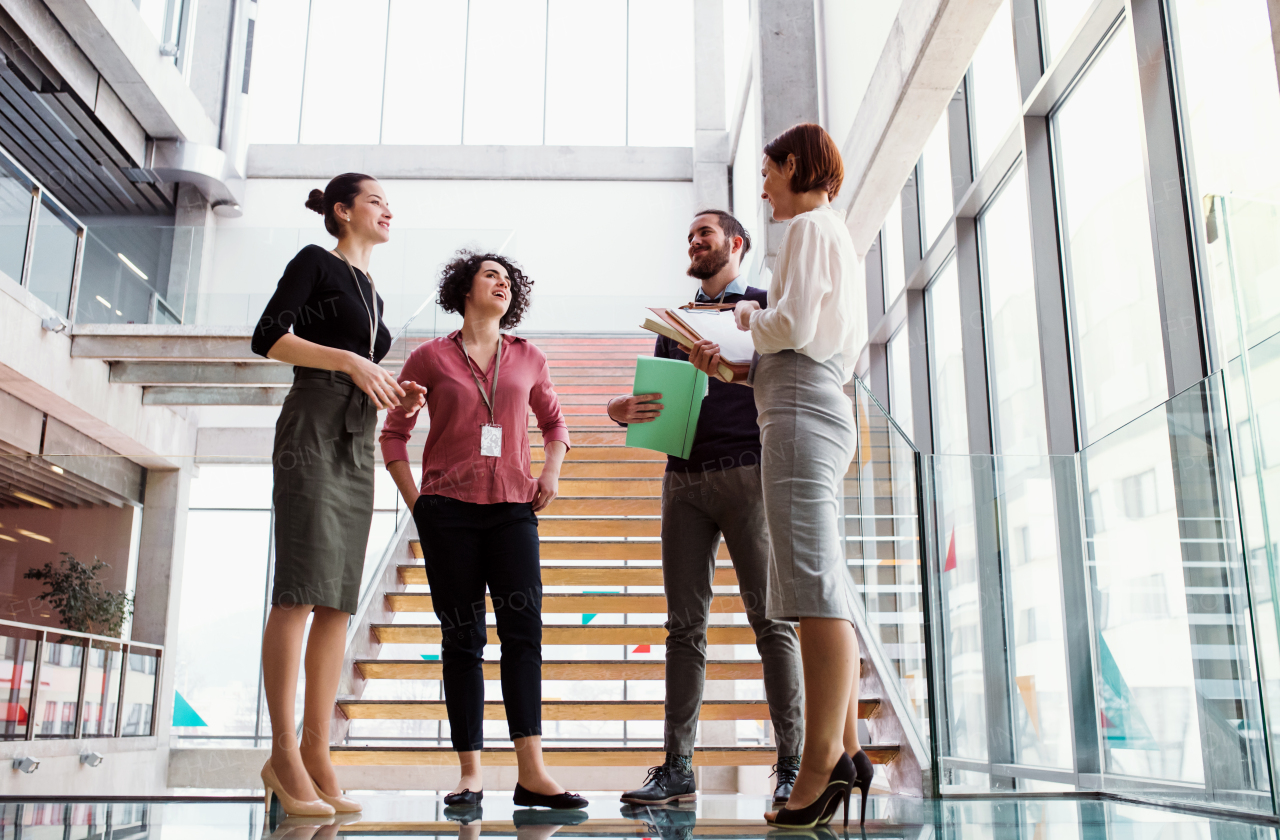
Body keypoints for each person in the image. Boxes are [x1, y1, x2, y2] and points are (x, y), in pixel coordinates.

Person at [687, 125, 870, 829]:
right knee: (820, 581)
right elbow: (804, 340)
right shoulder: (827, 234)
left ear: (794, 166)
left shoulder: (808, 230)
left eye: (767, 173)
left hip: (800, 409)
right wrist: (733, 368)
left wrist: (742, 314)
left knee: (813, 589)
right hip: (799, 396)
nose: (762, 188)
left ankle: (821, 764)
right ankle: (845, 751)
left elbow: (789, 323)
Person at [608, 211, 805, 807]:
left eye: (705, 234)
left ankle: (793, 766)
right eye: (689, 235)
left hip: (749, 476)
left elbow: (785, 381)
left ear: (735, 244)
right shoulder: (672, 320)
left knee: (771, 623)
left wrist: (732, 368)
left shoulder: (767, 306)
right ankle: (677, 768)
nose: (694, 242)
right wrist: (626, 409)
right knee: (682, 629)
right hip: (683, 482)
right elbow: (664, 403)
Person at [380, 250, 589, 811]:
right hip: (447, 511)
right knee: (462, 640)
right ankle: (471, 774)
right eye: (489, 275)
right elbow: (393, 435)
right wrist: (417, 504)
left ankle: (532, 773)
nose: (501, 284)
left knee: (524, 636)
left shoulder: (529, 357)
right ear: (464, 288)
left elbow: (556, 421)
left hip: (514, 509)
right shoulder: (427, 358)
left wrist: (551, 470)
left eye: (507, 279)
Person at [250, 173, 426, 817]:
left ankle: (318, 749)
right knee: (301, 587)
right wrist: (351, 362)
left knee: (338, 600)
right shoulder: (313, 263)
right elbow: (267, 336)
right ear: (342, 210)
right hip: (313, 424)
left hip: (357, 434)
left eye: (388, 203)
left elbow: (363, 362)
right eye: (375, 200)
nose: (387, 210)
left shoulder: (371, 287)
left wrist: (396, 391)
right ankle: (282, 753)